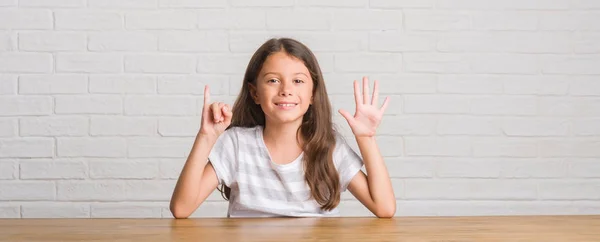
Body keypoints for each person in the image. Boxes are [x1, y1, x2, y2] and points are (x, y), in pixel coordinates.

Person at [169, 38, 395, 218]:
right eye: (273, 80)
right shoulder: (237, 144)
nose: (286, 90)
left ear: (313, 94)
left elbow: (384, 208)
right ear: (255, 93)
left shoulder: (330, 147)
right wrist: (206, 137)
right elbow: (181, 209)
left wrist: (366, 138)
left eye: (298, 81)